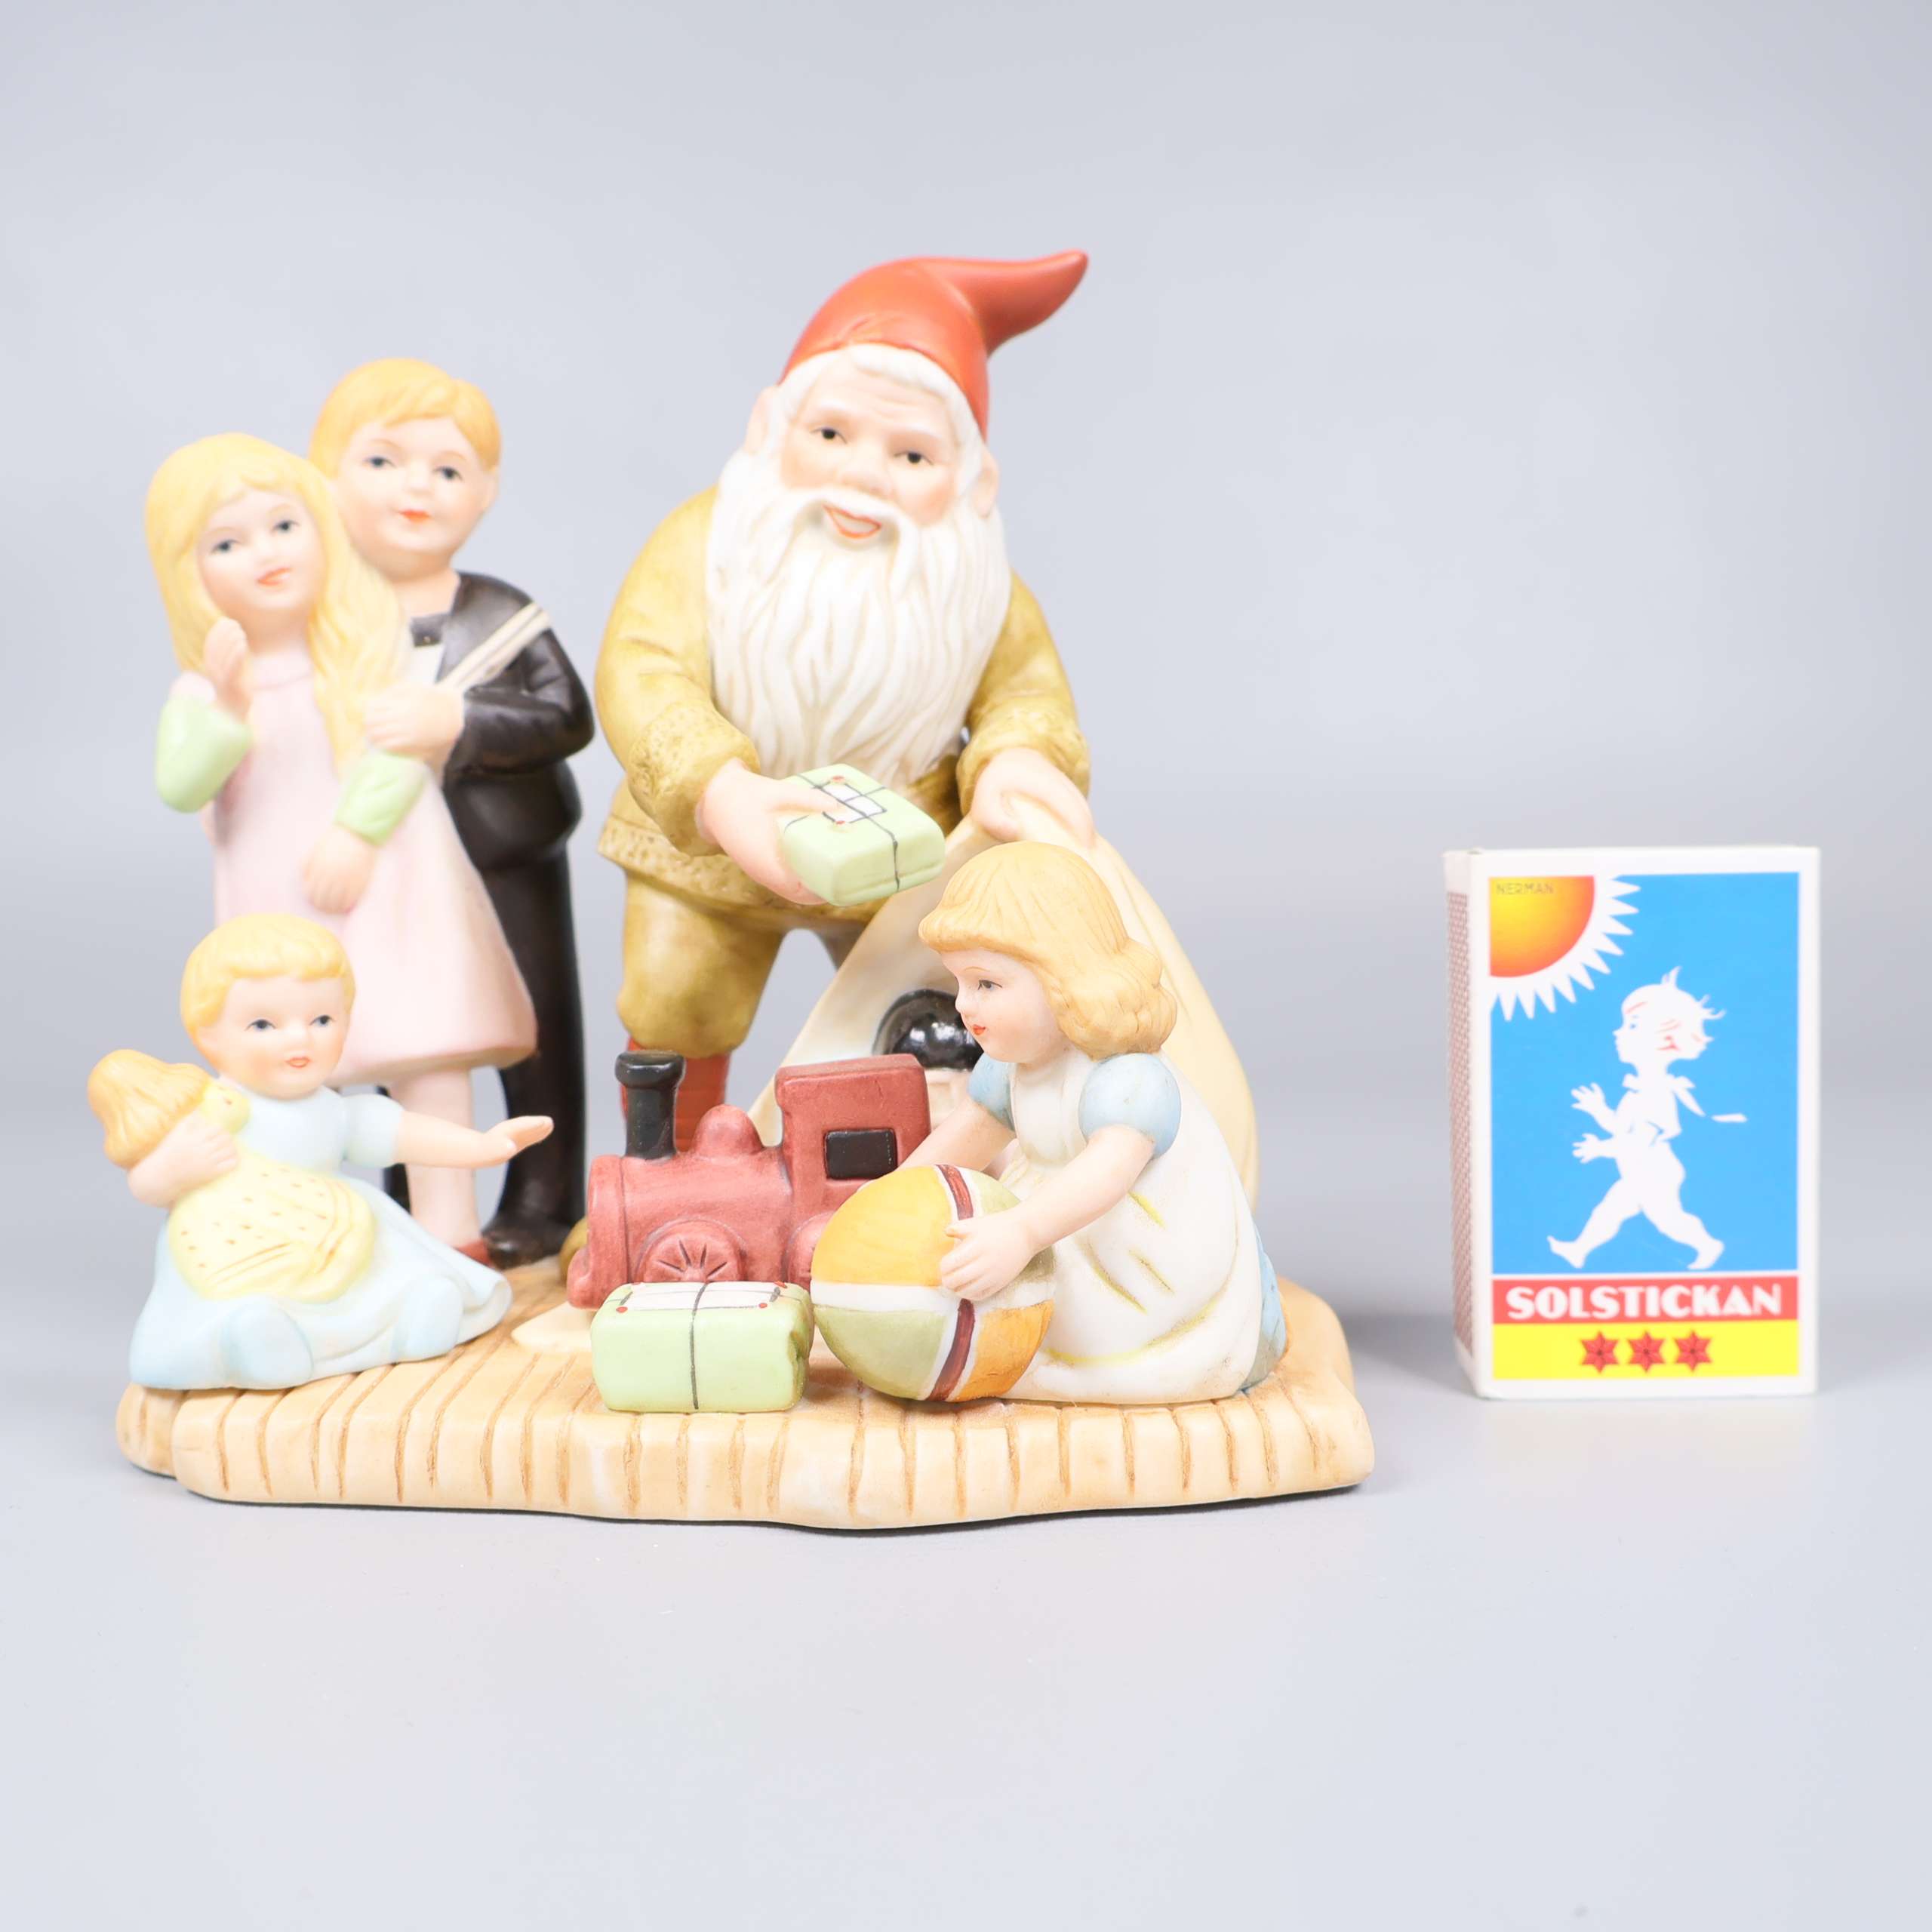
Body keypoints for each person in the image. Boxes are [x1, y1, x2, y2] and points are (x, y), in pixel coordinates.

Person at [595, 253, 1096, 1147]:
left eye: (912, 454)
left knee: (928, 1015)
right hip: (712, 845)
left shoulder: (973, 584)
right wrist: (720, 790)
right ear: (769, 426)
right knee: (676, 994)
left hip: (903, 849)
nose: (864, 475)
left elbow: (1024, 689)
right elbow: (642, 667)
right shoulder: (707, 544)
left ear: (974, 480)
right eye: (830, 434)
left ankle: (907, 1180)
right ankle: (668, 1171)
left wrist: (1016, 761)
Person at [145, 434, 537, 1256]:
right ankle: (302, 1237)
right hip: (278, 893)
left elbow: (399, 754)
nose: (265, 554)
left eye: (284, 526)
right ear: (190, 573)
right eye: (227, 543)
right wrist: (227, 705)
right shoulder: (205, 688)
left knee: (425, 1046)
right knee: (284, 1061)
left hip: (391, 876)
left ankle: (451, 1232)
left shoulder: (361, 653)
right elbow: (180, 784)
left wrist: (357, 835)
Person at [311, 359, 594, 1264]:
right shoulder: (324, 619)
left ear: (486, 490)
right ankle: (417, 1203)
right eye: (382, 461)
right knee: (399, 1024)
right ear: (325, 476)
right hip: (386, 861)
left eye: (447, 469)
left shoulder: (502, 615)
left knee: (532, 1026)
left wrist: (460, 720)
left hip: (500, 856)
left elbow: (567, 716)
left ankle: (545, 1196)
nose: (417, 488)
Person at [88, 915, 551, 1392]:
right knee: (238, 1306)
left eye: (322, 1020)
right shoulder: (208, 1107)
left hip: (337, 1230)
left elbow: (403, 1132)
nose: (300, 1039)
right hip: (238, 1253)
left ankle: (413, 1315)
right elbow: (145, 1181)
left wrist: (483, 1146)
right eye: (264, 1024)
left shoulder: (333, 1112)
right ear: (208, 1035)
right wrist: (175, 1169)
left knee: (395, 1272)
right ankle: (255, 1339)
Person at [903, 844, 1286, 1404]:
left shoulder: (1125, 1077)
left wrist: (1021, 1233)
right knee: (964, 1276)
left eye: (986, 984)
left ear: (1063, 976)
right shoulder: (1011, 1066)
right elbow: (961, 1141)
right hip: (1056, 1224)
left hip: (1130, 1256)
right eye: (958, 982)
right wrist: (890, 1201)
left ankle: (1070, 1358)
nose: (963, 1004)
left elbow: (1106, 1174)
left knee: (999, 1301)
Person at [1550, 968, 1732, 1271]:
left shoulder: (1656, 1093)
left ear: (1667, 1041)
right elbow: (1623, 1129)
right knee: (1610, 1210)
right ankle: (1578, 1251)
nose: (1618, 1033)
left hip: (1656, 1174)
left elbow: (1637, 1143)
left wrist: (1601, 1149)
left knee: (1669, 1221)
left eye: (1633, 1025)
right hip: (1638, 1172)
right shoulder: (1639, 1090)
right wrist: (1599, 1110)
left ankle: (1708, 1245)